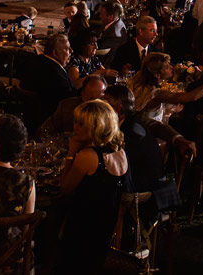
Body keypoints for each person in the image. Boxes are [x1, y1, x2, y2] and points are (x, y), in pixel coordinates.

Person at [58, 100, 129, 274]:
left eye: (81, 123)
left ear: (96, 126)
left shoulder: (87, 156)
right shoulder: (119, 151)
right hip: (106, 227)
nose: (75, 127)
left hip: (83, 230)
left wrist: (70, 154)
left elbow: (64, 188)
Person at [129, 51, 203, 122]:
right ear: (157, 74)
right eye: (166, 67)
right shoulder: (156, 93)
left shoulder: (139, 83)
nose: (171, 67)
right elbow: (192, 97)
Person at [20, 32, 76, 128]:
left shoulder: (39, 60)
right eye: (67, 48)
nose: (71, 51)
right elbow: (67, 99)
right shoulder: (55, 73)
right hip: (49, 121)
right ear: (55, 53)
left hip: (29, 117)